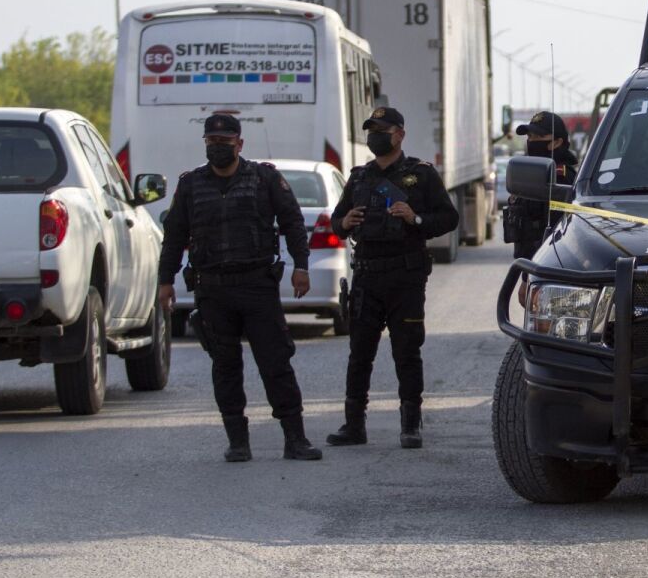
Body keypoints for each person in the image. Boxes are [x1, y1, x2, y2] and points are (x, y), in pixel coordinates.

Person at [158, 113, 321, 463]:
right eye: (212, 143)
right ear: (205, 144)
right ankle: (237, 441)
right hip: (213, 290)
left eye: (225, 142)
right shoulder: (190, 185)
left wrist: (301, 267)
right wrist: (165, 281)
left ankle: (295, 438)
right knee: (225, 366)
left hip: (257, 286)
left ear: (239, 144)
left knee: (276, 363)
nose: (218, 148)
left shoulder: (264, 178)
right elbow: (173, 237)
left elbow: (292, 221)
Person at [326, 106, 459, 450]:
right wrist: (346, 223)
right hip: (367, 277)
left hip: (405, 277)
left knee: (407, 351)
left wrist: (415, 219)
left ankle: (410, 425)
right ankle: (354, 425)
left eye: (382, 130)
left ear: (399, 134)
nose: (375, 136)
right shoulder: (358, 177)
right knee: (360, 353)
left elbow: (448, 218)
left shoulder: (421, 174)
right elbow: (336, 222)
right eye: (371, 130)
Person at [503, 111, 577, 260]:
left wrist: (529, 276)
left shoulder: (560, 177)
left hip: (546, 266)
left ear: (557, 142)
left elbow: (557, 234)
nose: (531, 141)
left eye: (538, 137)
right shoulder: (533, 173)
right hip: (529, 265)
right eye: (530, 137)